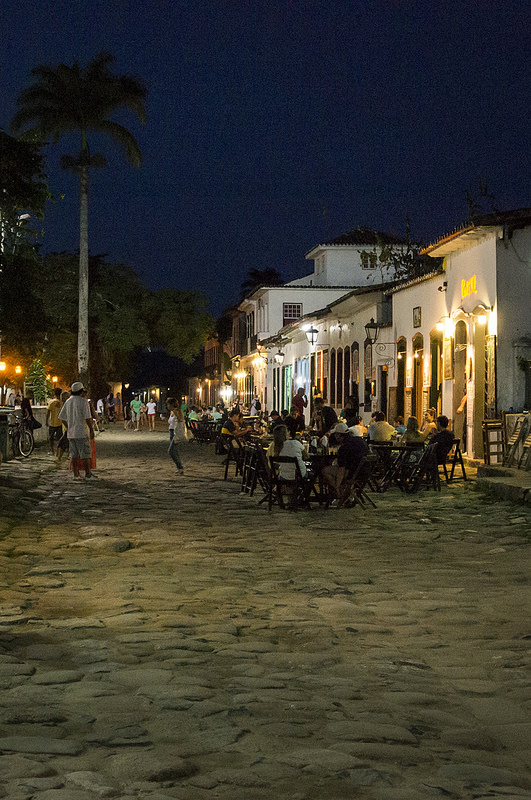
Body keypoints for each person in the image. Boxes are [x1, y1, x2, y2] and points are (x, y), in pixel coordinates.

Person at [322, 422, 369, 506]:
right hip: (365, 471)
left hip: (353, 473)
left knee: (325, 471)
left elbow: (341, 469)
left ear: (339, 435)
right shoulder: (359, 440)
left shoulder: (344, 448)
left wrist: (337, 485)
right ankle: (346, 494)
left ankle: (339, 494)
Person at [58, 381, 95, 480]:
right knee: (85, 455)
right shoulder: (83, 402)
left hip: (71, 433)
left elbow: (62, 417)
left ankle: (76, 474)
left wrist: (69, 426)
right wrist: (91, 429)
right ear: (81, 391)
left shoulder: (68, 401)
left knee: (74, 455)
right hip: (82, 432)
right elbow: (87, 418)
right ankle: (88, 474)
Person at [46, 387, 63, 456]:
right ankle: (59, 451)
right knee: (60, 438)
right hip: (60, 422)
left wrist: (46, 421)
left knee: (51, 438)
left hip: (52, 422)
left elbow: (48, 413)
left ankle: (52, 450)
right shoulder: (62, 402)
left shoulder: (51, 402)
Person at [168, 406, 185, 474]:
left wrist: (176, 414)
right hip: (171, 432)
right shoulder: (172, 412)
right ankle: (179, 468)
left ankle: (180, 467)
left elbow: (180, 422)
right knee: (174, 450)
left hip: (176, 433)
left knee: (171, 450)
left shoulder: (178, 412)